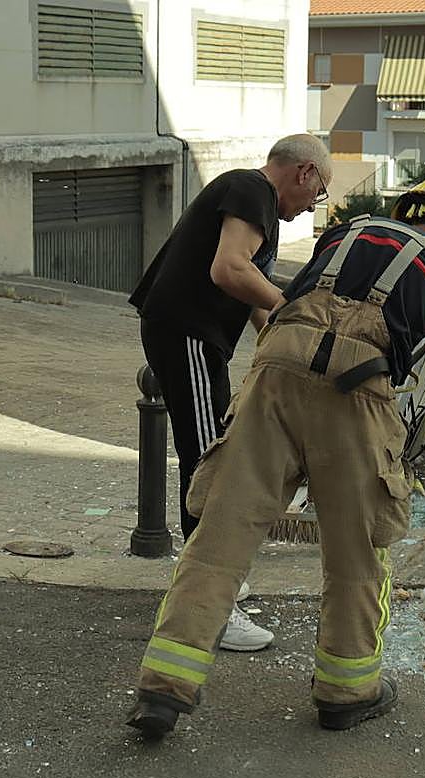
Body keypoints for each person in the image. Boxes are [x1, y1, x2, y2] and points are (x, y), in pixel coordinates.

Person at [126, 175, 425, 738]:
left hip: (273, 372)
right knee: (357, 549)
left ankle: (162, 689)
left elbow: (290, 308)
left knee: (221, 535)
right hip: (357, 389)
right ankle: (346, 692)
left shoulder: (345, 235)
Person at [127, 134, 332, 651]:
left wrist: (306, 356)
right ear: (305, 172)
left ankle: (216, 590)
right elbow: (230, 269)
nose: (313, 205)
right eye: (319, 192)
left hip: (198, 339)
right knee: (208, 470)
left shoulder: (253, 205)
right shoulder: (251, 191)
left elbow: (257, 304)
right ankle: (209, 609)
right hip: (188, 336)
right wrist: (295, 308)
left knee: (217, 460)